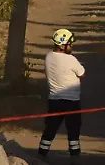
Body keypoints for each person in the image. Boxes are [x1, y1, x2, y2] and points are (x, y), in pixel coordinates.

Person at [39, 29, 85, 160]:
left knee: (50, 129)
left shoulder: (48, 57)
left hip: (54, 100)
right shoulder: (71, 59)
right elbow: (82, 74)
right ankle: (75, 157)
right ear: (62, 45)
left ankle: (41, 154)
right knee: (73, 132)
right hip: (72, 101)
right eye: (70, 44)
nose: (72, 46)